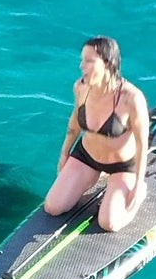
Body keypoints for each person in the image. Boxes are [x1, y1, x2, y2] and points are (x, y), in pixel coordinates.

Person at [43, 37, 150, 233]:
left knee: (109, 224)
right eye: (82, 60)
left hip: (122, 165)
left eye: (89, 61)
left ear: (108, 63)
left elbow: (143, 144)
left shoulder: (131, 98)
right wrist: (64, 153)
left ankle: (138, 191)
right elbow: (75, 123)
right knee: (53, 207)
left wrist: (138, 182)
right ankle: (93, 177)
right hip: (87, 157)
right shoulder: (81, 88)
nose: (81, 66)